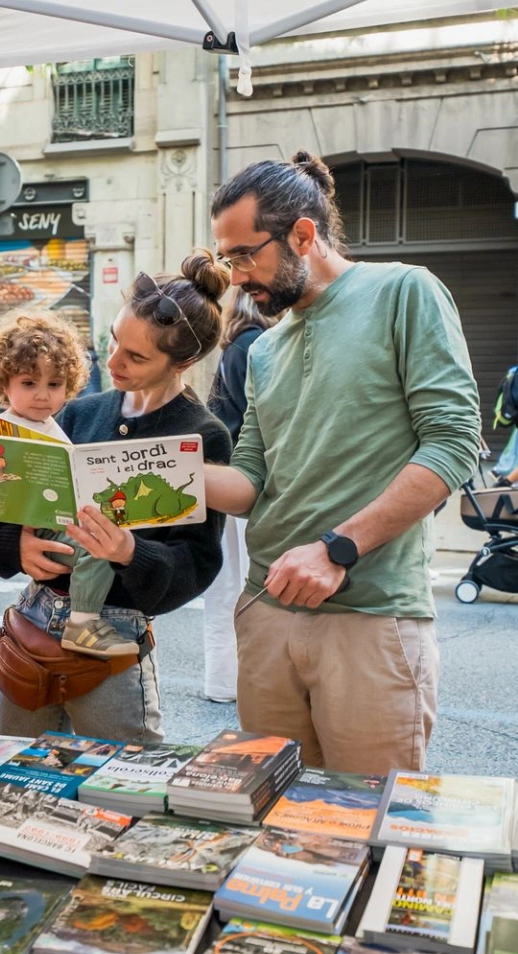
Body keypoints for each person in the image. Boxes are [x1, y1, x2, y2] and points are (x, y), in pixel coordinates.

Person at [205, 149, 481, 774]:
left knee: (366, 828)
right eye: (227, 259)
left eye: (244, 255)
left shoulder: (404, 291)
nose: (236, 276)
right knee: (276, 829)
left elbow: (454, 440)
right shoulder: (266, 349)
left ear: (303, 234)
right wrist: (162, 471)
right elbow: (251, 481)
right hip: (267, 614)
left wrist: (339, 549)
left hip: (370, 616)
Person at [0, 250, 232, 742]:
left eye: (135, 357)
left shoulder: (202, 434)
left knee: (116, 785)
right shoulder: (77, 412)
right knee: (14, 773)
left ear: (185, 360)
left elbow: (198, 564)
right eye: (114, 340)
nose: (112, 361)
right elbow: (1, 524)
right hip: (33, 622)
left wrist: (128, 552)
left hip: (112, 638)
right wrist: (19, 546)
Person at [0, 310, 135, 658]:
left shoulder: (50, 422)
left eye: (54, 385)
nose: (42, 396)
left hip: (57, 520)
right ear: (4, 384)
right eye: (28, 383)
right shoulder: (9, 430)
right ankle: (83, 622)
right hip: (45, 528)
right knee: (97, 547)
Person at [203, 289, 278, 703]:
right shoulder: (256, 344)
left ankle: (222, 683)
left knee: (226, 584)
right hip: (246, 477)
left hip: (226, 472)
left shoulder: (234, 344)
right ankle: (246, 684)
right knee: (252, 582)